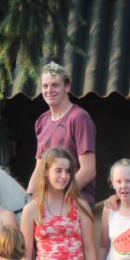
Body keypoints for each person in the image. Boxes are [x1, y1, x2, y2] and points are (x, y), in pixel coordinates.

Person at [26, 61, 97, 205]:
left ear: (67, 87)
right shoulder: (42, 121)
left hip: (76, 199)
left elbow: (89, 170)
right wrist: (28, 198)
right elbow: (39, 168)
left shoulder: (79, 118)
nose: (49, 90)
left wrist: (59, 197)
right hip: (48, 201)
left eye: (55, 85)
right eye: (45, 86)